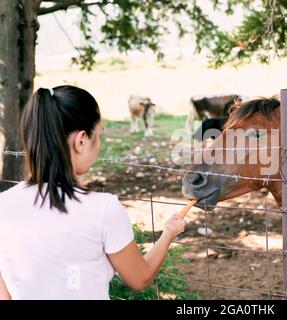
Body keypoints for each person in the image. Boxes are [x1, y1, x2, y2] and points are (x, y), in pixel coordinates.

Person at [0, 85, 186, 300]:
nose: (99, 145)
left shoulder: (3, 205)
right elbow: (140, 277)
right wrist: (169, 233)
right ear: (81, 141)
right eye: (99, 136)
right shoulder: (103, 208)